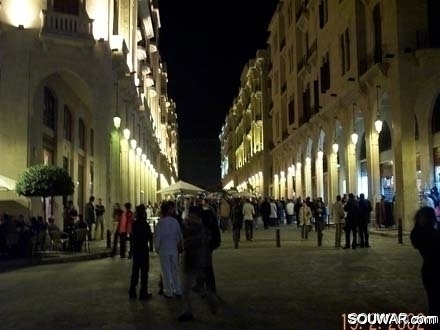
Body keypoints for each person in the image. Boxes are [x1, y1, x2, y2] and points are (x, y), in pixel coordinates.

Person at [178, 205, 218, 322]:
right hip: (196, 261)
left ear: (194, 215)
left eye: (190, 214)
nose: (188, 216)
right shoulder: (193, 226)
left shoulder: (200, 227)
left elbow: (201, 240)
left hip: (197, 261)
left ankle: (211, 303)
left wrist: (186, 241)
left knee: (193, 289)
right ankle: (190, 311)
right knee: (191, 288)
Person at [410, 207, 440, 324]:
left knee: (433, 300)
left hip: (429, 270)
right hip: (432, 270)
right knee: (434, 300)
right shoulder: (427, 234)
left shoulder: (422, 232)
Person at [154, 201, 183, 298]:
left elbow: (157, 238)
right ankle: (177, 289)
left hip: (164, 250)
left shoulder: (160, 223)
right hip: (173, 249)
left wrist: (157, 248)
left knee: (166, 271)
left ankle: (168, 291)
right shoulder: (175, 222)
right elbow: (179, 236)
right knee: (175, 270)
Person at [129, 204, 153, 300]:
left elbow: (132, 237)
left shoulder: (134, 224)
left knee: (135, 271)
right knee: (144, 272)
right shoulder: (145, 224)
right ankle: (143, 292)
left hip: (136, 249)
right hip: (143, 249)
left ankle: (132, 291)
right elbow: (149, 237)